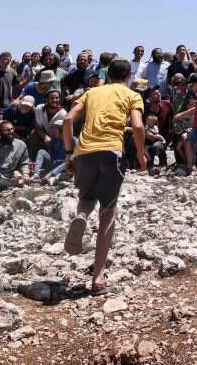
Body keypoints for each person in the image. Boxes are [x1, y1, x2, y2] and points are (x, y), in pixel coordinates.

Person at [62, 58, 146, 296]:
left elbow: (67, 120)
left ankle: (81, 216)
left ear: (107, 75)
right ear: (128, 76)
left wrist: (69, 153)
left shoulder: (91, 92)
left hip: (84, 152)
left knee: (86, 198)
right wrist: (141, 155)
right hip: (112, 152)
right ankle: (98, 278)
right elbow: (138, 126)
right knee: (108, 213)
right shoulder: (132, 95)